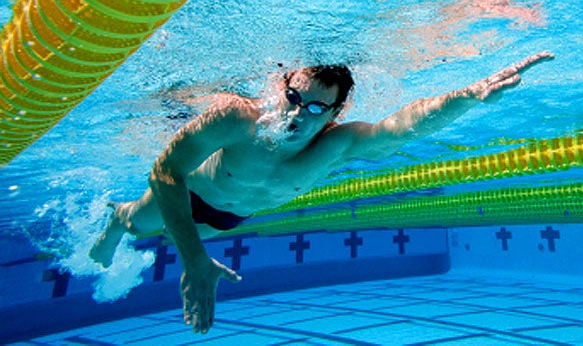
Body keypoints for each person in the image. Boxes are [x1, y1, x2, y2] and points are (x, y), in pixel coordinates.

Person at [90, 51, 553, 333]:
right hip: (192, 192)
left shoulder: (336, 144)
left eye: (315, 109)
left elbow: (400, 127)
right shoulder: (235, 117)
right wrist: (193, 260)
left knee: (172, 237)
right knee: (139, 224)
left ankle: (157, 233)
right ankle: (116, 218)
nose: (297, 115)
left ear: (335, 112)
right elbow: (165, 171)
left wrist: (468, 96)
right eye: (293, 98)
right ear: (281, 86)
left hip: (234, 215)